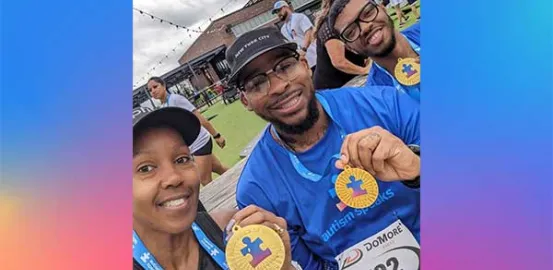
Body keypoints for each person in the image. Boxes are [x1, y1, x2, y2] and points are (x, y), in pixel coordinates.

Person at [225, 27, 420, 269]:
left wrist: (417, 167)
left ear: (305, 65)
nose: (277, 86)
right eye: (257, 83)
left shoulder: (383, 104)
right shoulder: (257, 189)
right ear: (246, 101)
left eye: (285, 67)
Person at [132, 106, 294, 270]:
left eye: (181, 159)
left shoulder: (233, 232)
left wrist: (284, 266)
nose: (174, 178)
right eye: (145, 168)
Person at [329, 0, 421, 103]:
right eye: (351, 32)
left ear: (383, 8)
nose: (365, 28)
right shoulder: (377, 99)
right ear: (350, 48)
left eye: (368, 13)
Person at [147, 77, 229, 186]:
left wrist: (216, 135)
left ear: (164, 85)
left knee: (204, 180)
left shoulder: (176, 99)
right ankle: (240, 179)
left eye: (155, 87)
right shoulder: (163, 107)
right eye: (150, 90)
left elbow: (198, 117)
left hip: (200, 141)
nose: (153, 91)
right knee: (219, 168)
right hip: (191, 146)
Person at [312, 0, 372, 90]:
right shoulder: (330, 26)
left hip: (347, 81)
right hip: (334, 86)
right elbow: (339, 62)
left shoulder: (349, 19)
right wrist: (364, 70)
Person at [272, 0, 317, 73]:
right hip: (304, 64)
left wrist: (304, 49)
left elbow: (308, 32)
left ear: (285, 7)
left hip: (315, 56)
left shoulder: (299, 17)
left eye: (279, 10)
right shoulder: (283, 29)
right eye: (276, 12)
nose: (278, 14)